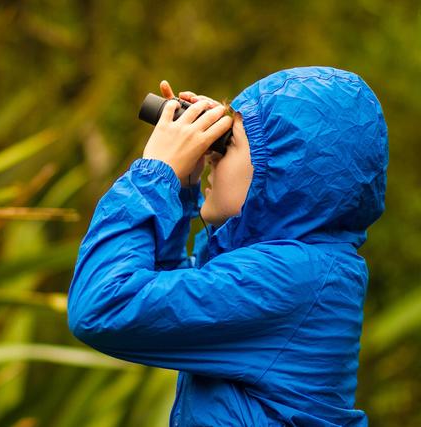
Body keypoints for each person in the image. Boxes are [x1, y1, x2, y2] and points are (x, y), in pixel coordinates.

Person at [67, 66, 388, 426]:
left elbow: (105, 304)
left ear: (281, 171)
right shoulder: (304, 267)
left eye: (226, 143)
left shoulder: (291, 277)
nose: (212, 156)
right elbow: (163, 292)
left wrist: (154, 173)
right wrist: (182, 184)